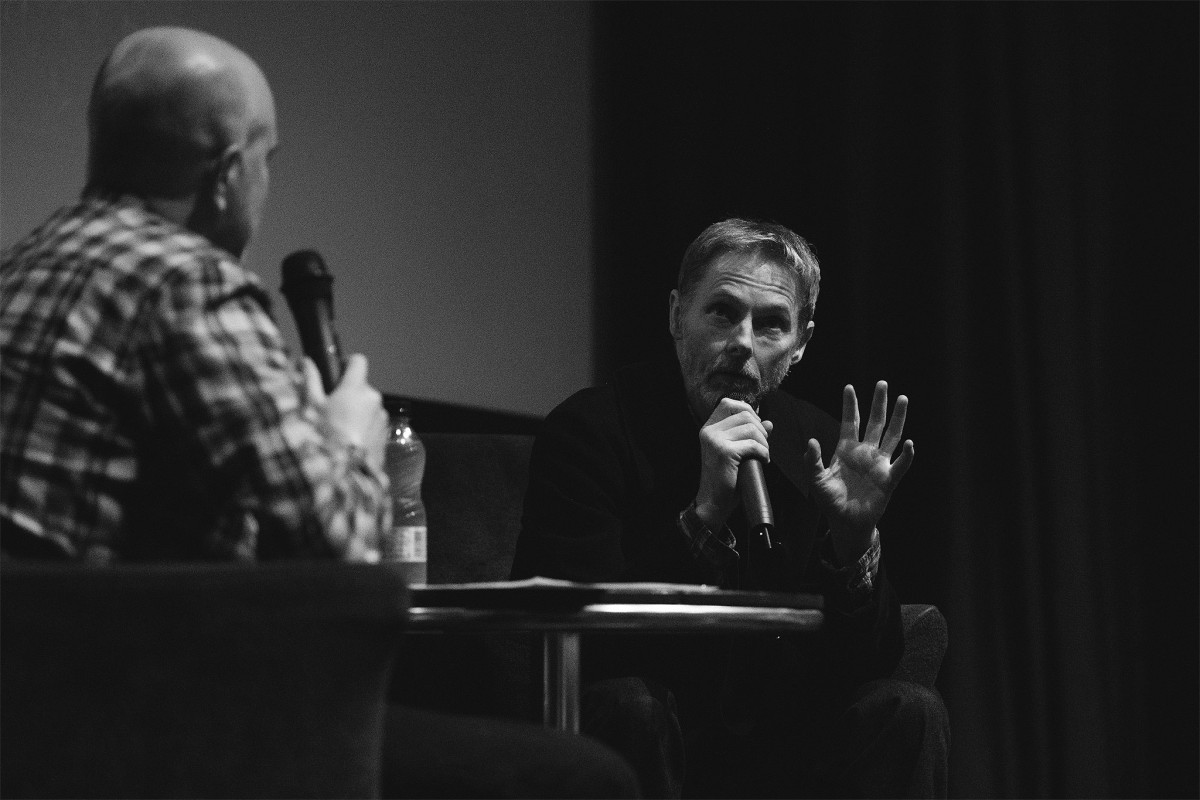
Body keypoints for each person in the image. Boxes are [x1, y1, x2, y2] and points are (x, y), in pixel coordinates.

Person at [0, 26, 638, 798]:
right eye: (269, 160)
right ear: (229, 173)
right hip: (148, 728)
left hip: (33, 723)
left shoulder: (20, 270)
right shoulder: (189, 284)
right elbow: (343, 560)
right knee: (582, 777)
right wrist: (348, 438)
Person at [512, 218, 950, 798]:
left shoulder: (816, 442)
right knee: (630, 704)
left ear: (800, 345)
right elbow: (569, 639)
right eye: (722, 312)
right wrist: (702, 516)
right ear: (676, 317)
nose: (743, 341)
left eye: (771, 325)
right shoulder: (589, 430)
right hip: (653, 728)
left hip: (777, 749)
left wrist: (854, 545)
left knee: (909, 709)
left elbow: (868, 665)